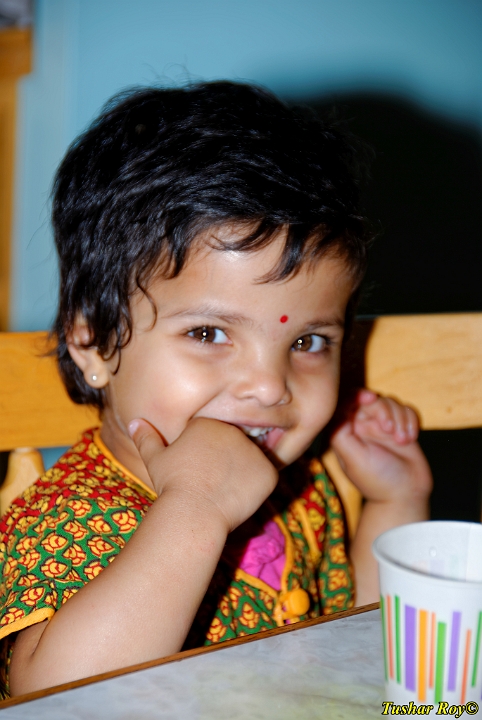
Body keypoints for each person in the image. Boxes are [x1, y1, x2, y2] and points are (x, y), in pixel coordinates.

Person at [0, 81, 432, 697]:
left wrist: (394, 502)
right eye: (208, 333)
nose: (270, 386)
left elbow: (367, 650)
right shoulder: (72, 518)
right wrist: (195, 509)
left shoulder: (298, 490)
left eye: (309, 341)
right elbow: (57, 695)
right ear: (93, 344)